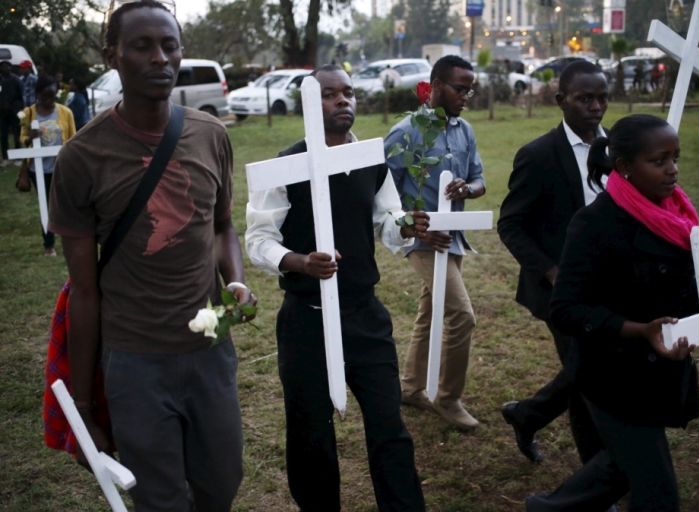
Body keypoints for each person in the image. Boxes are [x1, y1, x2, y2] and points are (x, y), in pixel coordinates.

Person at [48, 1, 256, 510]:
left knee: (222, 484)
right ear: (112, 56)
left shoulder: (211, 135)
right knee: (160, 499)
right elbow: (84, 290)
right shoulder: (82, 158)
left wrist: (235, 277)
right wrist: (83, 407)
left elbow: (224, 226)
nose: (160, 58)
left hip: (210, 351)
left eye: (170, 45)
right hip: (134, 361)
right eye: (142, 46)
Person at [527, 113, 699, 511]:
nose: (673, 170)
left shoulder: (676, 216)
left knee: (619, 468)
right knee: (658, 493)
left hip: (658, 374)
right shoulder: (595, 223)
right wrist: (640, 330)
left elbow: (679, 292)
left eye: (676, 158)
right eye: (659, 161)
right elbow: (565, 309)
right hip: (611, 377)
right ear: (624, 167)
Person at [246, 64, 428, 511]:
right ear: (309, 101)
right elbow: (258, 240)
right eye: (329, 94)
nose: (342, 100)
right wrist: (298, 262)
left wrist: (405, 225)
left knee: (390, 428)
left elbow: (387, 218)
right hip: (306, 321)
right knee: (311, 435)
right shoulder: (283, 168)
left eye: (347, 93)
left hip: (365, 315)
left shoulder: (369, 158)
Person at [497, 60, 609, 464]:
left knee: (589, 370)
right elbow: (511, 225)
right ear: (561, 100)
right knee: (586, 376)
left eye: (601, 98)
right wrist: (552, 272)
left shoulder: (620, 148)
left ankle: (527, 415)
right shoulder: (539, 155)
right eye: (584, 98)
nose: (595, 107)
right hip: (562, 289)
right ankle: (597, 483)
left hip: (614, 283)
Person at [385, 55, 486, 430]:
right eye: (460, 88)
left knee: (431, 312)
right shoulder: (405, 133)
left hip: (454, 238)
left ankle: (411, 388)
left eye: (469, 89)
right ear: (437, 85)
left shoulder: (464, 131)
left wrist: (468, 188)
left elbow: (480, 179)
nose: (466, 96)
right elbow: (382, 196)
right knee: (461, 315)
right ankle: (449, 398)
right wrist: (413, 226)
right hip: (423, 242)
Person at [20, 76, 76, 256]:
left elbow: (73, 138)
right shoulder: (28, 113)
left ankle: (71, 239)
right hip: (37, 169)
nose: (50, 101)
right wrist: (29, 137)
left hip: (60, 167)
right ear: (38, 94)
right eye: (46, 96)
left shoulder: (65, 112)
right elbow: (22, 138)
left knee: (64, 204)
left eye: (53, 96)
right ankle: (49, 244)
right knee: (46, 206)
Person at [0, 60, 24, 167]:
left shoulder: (16, 79)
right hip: (2, 111)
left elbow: (20, 95)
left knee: (16, 134)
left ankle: (18, 157)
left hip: (14, 110)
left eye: (7, 67)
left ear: (11, 68)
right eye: (3, 67)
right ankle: (5, 158)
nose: (6, 69)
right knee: (3, 135)